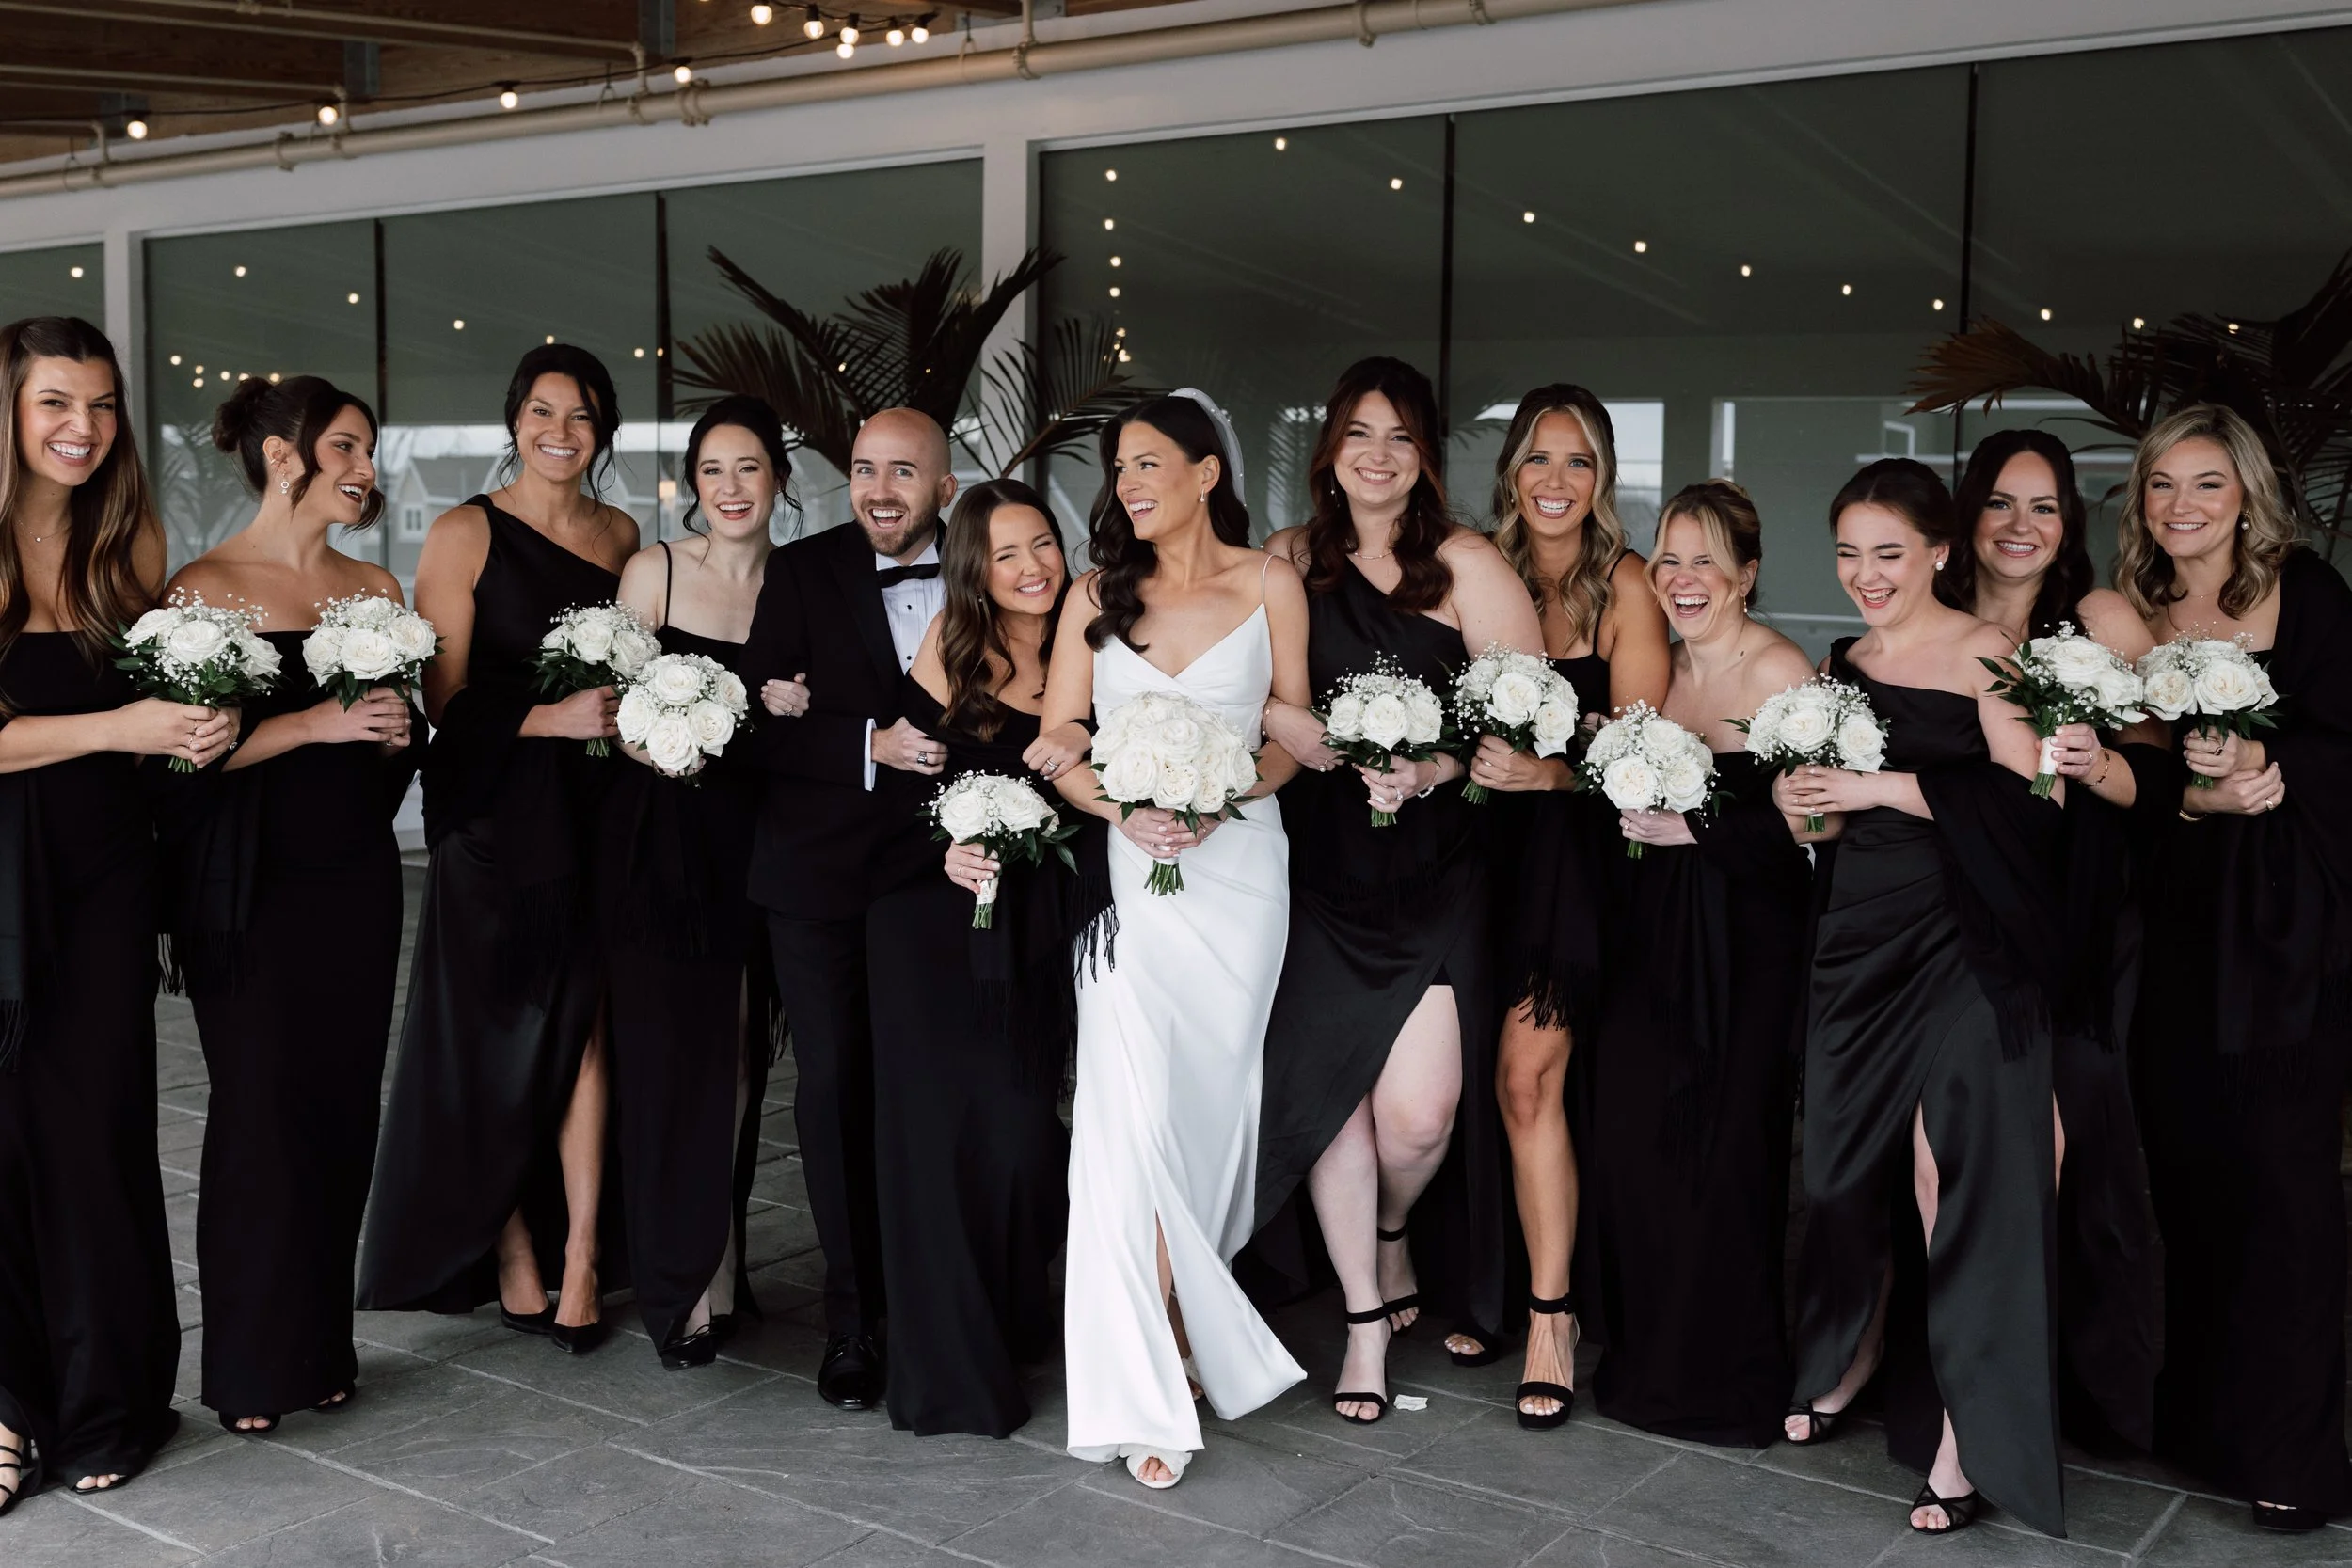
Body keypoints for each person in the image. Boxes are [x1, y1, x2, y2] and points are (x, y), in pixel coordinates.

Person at [1777, 457, 2067, 1538]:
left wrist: (1876, 784)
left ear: (1941, 550)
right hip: (1857, 937)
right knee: (1839, 1167)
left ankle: (1960, 1436)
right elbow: (1819, 818)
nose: (1865, 574)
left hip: (1965, 941)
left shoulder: (1990, 650)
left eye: (1887, 552)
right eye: (1849, 552)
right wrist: (1807, 803)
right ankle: (1851, 1346)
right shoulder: (1840, 659)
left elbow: (2032, 795)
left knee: (1951, 1179)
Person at [1253, 357, 1540, 1425]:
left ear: (1425, 457)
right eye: (1359, 433)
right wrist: (1299, 730)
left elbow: (1525, 711)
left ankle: (1388, 1229)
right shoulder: (1285, 559)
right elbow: (1249, 690)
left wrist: (1434, 767)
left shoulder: (1467, 563)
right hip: (1317, 866)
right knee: (1336, 1106)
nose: (1377, 455)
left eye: (1401, 437)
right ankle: (1364, 1323)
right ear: (1330, 446)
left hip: (1435, 872)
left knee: (1417, 1117)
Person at [1041, 390, 1311, 1489]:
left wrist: (1223, 792)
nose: (1129, 483)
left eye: (1149, 462)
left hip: (1240, 876)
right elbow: (1058, 733)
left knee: (1206, 1112)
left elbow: (1289, 735)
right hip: (1133, 884)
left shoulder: (1269, 581)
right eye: (1118, 468)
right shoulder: (1092, 594)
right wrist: (1122, 806)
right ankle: (1144, 1371)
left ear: (1208, 470)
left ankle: (1174, 1314)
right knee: (1127, 1114)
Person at [358, 344, 639, 1353]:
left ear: (601, 430)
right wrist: (553, 721)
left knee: (584, 1035)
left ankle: (581, 1257)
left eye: (581, 415)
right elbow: (447, 702)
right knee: (490, 1039)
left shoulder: (621, 535)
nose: (560, 432)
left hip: (598, 811)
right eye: (541, 411)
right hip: (491, 812)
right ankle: (511, 1245)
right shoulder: (465, 528)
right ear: (513, 419)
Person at [160, 376, 415, 1434]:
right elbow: (185, 751)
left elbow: (398, 740)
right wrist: (314, 725)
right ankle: (252, 1367)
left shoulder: (379, 587)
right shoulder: (202, 586)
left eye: (367, 450)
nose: (365, 469)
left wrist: (398, 729)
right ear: (282, 455)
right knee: (260, 1113)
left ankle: (320, 1345)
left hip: (357, 879)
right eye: (346, 447)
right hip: (245, 890)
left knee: (341, 1110)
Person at [0, 317, 222, 1509]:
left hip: (100, 881)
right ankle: (4, 1407)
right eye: (53, 403)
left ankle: (112, 1399)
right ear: (11, 411)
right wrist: (119, 728)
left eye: (99, 404)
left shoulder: (126, 540)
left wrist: (195, 724)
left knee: (94, 1144)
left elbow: (156, 717)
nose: (81, 427)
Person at [2121, 404, 2352, 1530]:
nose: (2180, 507)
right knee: (2195, 1174)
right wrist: (2190, 789)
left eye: (2204, 485)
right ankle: (2208, 1420)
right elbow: (2124, 786)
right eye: (2162, 485)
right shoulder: (2134, 612)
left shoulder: (2306, 595)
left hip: (2287, 929)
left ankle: (2294, 1452)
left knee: (2289, 1190)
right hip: (2177, 923)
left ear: (2247, 493)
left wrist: (2273, 757)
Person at [1938, 428, 2164, 1451]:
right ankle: (1956, 1373)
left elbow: (2167, 771)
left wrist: (2100, 758)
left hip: (2078, 918)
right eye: (1999, 502)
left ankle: (2086, 1389)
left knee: (2072, 1142)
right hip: (1956, 920)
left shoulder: (2103, 617)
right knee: (1964, 1151)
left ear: (2067, 522)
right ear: (1966, 514)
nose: (2020, 525)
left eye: (2042, 505)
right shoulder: (1932, 624)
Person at [1454, 386, 1671, 1416]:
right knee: (1472, 1080)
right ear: (1509, 471)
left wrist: (1555, 776)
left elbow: (1644, 752)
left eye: (1576, 460)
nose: (1553, 480)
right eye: (1536, 458)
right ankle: (1488, 1284)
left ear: (1602, 478)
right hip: (1466, 853)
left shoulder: (1623, 583)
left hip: (1572, 862)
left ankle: (1552, 1313)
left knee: (1528, 1076)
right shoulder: (1468, 565)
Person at [737, 406, 958, 1409]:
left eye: (903, 471)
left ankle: (945, 1299)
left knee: (929, 1086)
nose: (879, 489)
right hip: (817, 876)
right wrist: (862, 742)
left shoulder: (992, 570)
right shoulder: (801, 569)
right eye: (865, 469)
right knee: (832, 1093)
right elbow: (758, 724)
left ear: (943, 486)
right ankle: (853, 1319)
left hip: (942, 875)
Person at [1585, 482, 1812, 1447]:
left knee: (1728, 1150)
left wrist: (1697, 823)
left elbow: (1813, 816)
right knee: (1639, 1138)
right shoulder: (1654, 670)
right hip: (1648, 931)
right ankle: (1647, 1354)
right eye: (1668, 557)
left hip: (1748, 936)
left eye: (1705, 560)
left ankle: (1724, 1376)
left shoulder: (1780, 669)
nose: (1681, 578)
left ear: (1747, 573)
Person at [877, 477, 1087, 1436]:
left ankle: (1012, 1313)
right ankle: (952, 1371)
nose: (1032, 565)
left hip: (1045, 929)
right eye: (1005, 553)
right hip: (932, 929)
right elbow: (898, 793)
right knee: (938, 1150)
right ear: (973, 567)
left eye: (1040, 542)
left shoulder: (1095, 642)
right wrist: (942, 847)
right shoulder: (949, 649)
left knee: (1020, 1140)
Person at [598, 397, 788, 1370]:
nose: (731, 488)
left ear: (777, 480)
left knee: (746, 1060)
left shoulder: (800, 586)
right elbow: (615, 713)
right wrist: (660, 748)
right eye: (714, 469)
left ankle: (724, 1261)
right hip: (665, 836)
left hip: (759, 843)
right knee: (675, 1060)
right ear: (692, 483)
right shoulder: (655, 570)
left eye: (749, 468)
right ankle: (681, 1282)